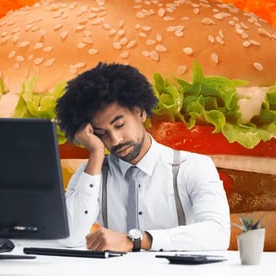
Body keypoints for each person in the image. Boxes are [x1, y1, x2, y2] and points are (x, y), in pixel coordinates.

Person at [55, 62, 230, 252]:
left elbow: (218, 234)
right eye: (102, 133)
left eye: (120, 125)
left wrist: (136, 240)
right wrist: (96, 153)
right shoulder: (91, 174)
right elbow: (68, 236)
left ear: (140, 112)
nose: (115, 140)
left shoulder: (194, 167)